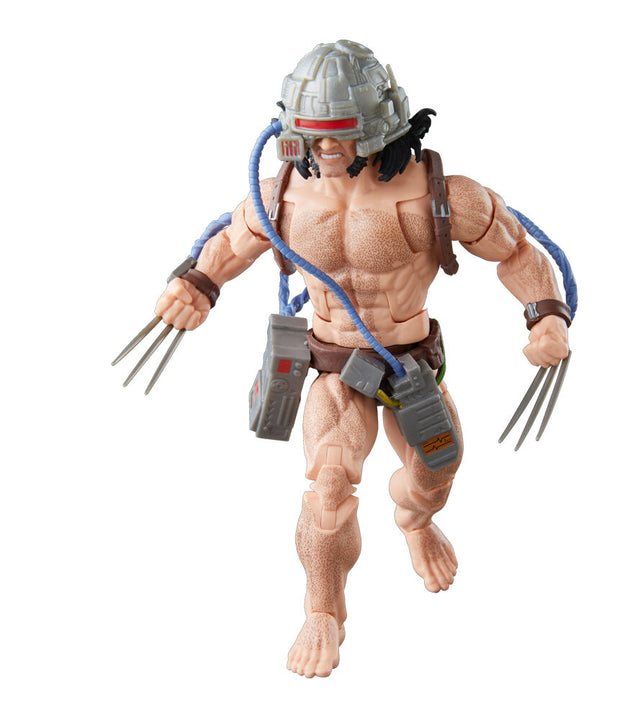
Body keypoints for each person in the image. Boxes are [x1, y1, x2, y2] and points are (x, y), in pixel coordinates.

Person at [152, 40, 569, 677]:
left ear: (378, 125)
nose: (324, 147)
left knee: (437, 474)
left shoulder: (440, 195)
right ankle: (323, 609)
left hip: (409, 368)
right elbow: (231, 244)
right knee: (327, 486)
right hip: (333, 369)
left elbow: (517, 252)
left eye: (340, 131)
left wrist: (546, 316)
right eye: (311, 132)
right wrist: (195, 286)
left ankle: (415, 522)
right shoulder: (282, 194)